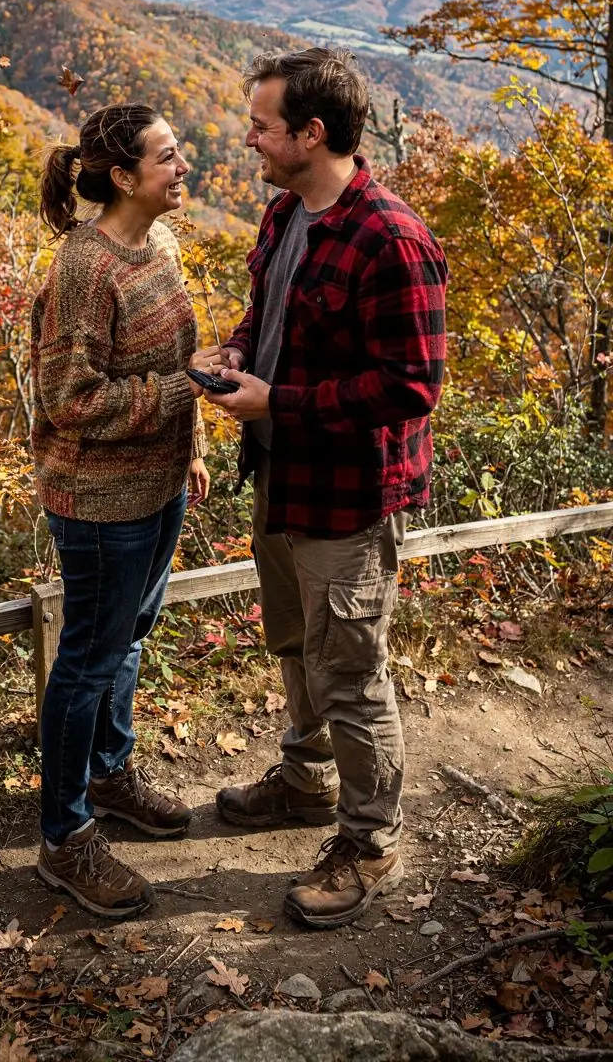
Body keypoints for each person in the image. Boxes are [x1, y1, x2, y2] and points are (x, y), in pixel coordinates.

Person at [201, 47, 448, 929]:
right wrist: (235, 353)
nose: (250, 137)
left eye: (263, 125)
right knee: (297, 645)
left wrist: (284, 401)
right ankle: (306, 781)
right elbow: (268, 314)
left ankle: (371, 841)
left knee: (350, 673)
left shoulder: (392, 239)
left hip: (346, 497)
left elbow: (413, 385)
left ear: (312, 132)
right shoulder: (285, 216)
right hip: (281, 473)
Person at [30, 102, 213, 919]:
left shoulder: (161, 244)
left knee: (129, 641)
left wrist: (195, 442)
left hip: (159, 484)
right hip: (101, 502)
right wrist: (185, 392)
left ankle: (110, 775)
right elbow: (69, 401)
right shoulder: (84, 270)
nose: (185, 167)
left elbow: (183, 354)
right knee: (87, 662)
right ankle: (64, 837)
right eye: (169, 157)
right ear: (124, 176)